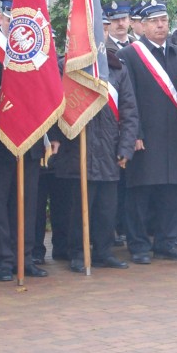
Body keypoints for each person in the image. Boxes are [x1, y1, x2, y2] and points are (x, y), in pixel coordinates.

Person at [116, 0, 177, 264]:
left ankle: (166, 242)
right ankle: (138, 244)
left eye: (163, 20)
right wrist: (134, 133)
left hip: (174, 134)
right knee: (140, 193)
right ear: (143, 25)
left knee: (171, 192)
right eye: (154, 21)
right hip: (145, 135)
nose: (160, 25)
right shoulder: (129, 55)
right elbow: (128, 97)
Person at [54, 43, 139, 272]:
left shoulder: (116, 68)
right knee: (78, 208)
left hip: (109, 151)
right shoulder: (66, 67)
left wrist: (125, 148)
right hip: (77, 151)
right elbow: (55, 107)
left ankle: (103, 251)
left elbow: (130, 112)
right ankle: (78, 253)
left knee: (106, 208)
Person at [0, 0, 48, 281]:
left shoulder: (37, 48)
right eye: (13, 19)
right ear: (2, 18)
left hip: (31, 137)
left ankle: (26, 256)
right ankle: (3, 260)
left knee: (28, 201)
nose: (18, 25)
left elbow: (48, 91)